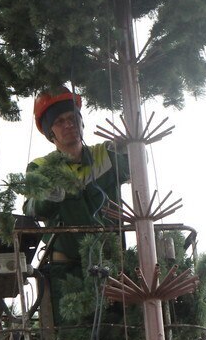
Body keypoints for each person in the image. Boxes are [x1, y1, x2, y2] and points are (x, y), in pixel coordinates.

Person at [23, 89, 130, 265]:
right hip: (67, 268)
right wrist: (46, 197)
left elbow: (135, 170)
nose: (68, 124)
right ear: (51, 133)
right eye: (59, 121)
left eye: (73, 118)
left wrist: (130, 147)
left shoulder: (106, 153)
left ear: (82, 122)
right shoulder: (41, 167)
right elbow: (31, 209)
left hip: (113, 262)